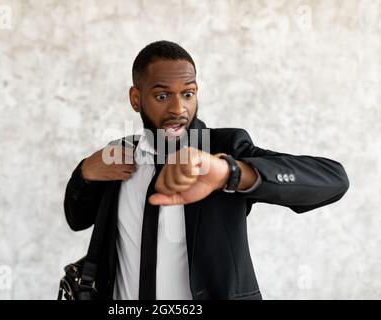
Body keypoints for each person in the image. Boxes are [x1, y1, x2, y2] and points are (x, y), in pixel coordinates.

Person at [63, 40, 349, 300]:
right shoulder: (120, 154)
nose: (179, 108)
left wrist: (229, 172)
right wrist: (85, 172)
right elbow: (77, 219)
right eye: (163, 96)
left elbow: (333, 180)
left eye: (188, 94)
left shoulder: (223, 149)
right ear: (136, 99)